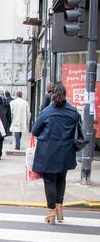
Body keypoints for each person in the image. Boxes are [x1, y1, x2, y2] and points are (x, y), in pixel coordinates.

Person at [32, 82, 78, 225]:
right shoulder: (73, 112)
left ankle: (51, 211)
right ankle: (59, 208)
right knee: (61, 179)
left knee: (49, 180)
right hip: (66, 151)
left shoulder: (47, 112)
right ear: (65, 94)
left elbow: (35, 130)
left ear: (52, 95)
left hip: (48, 152)